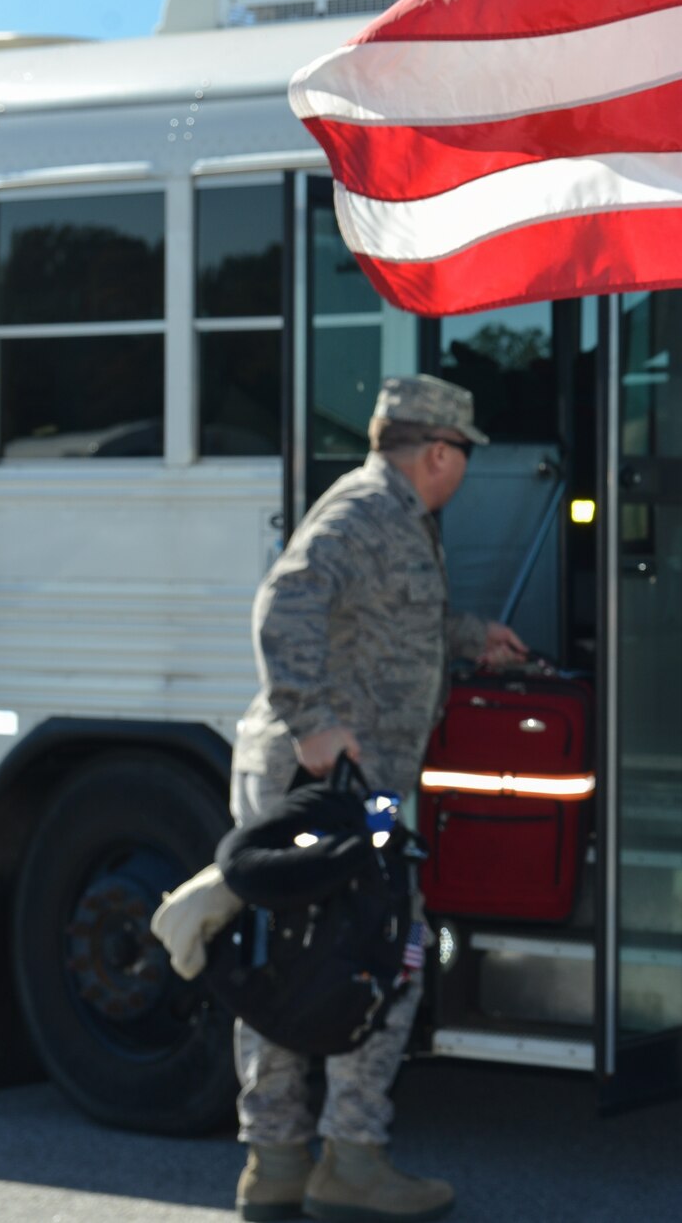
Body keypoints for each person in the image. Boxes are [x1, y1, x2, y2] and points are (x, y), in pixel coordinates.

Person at [230, 374, 527, 1223]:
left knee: (298, 952)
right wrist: (315, 722)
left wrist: (474, 638)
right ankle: (346, 1160)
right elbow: (281, 607)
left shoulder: (396, 516)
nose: (464, 470)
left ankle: (281, 1163)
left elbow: (388, 620)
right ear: (438, 452)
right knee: (387, 940)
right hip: (328, 786)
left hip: (354, 787)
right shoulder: (365, 510)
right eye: (463, 454)